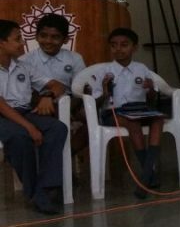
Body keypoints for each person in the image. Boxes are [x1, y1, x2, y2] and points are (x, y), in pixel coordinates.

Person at [0, 19, 67, 215]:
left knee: (57, 128)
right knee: (20, 136)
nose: (22, 43)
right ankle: (36, 194)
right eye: (17, 39)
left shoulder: (24, 66)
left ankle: (46, 186)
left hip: (24, 111)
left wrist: (47, 95)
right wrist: (30, 127)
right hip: (3, 115)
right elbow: (1, 106)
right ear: (1, 43)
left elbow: (58, 86)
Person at [91, 28, 165, 197]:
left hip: (140, 109)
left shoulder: (141, 68)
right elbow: (95, 102)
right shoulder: (104, 71)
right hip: (114, 112)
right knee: (133, 123)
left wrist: (150, 89)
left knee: (158, 119)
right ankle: (148, 177)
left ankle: (146, 174)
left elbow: (151, 98)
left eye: (124, 45)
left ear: (134, 47)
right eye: (114, 45)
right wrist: (105, 91)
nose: (118, 49)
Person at [20, 13, 87, 151]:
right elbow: (24, 93)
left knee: (90, 121)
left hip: (70, 103)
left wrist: (67, 106)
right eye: (43, 35)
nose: (48, 41)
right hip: (37, 105)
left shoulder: (75, 58)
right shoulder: (25, 61)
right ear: (36, 36)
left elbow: (80, 88)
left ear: (65, 39)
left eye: (55, 37)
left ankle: (66, 157)